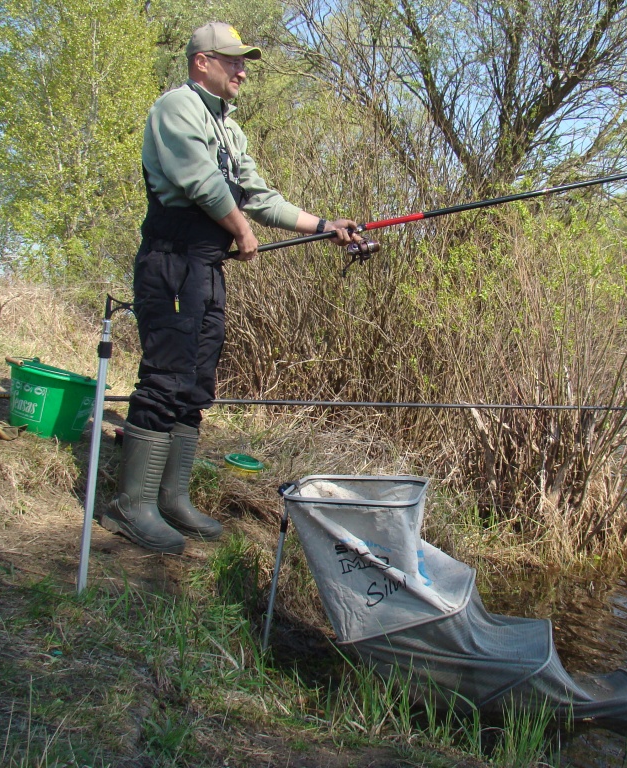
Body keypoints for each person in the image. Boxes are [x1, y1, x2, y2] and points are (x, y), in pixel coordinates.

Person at [100, 21, 362, 553]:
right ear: (202, 61)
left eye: (245, 62)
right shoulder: (176, 106)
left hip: (206, 270)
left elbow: (259, 196)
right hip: (171, 263)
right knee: (165, 378)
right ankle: (131, 506)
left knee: (195, 383)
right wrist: (241, 231)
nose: (243, 70)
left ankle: (171, 499)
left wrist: (325, 226)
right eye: (233, 60)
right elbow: (202, 182)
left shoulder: (231, 129)